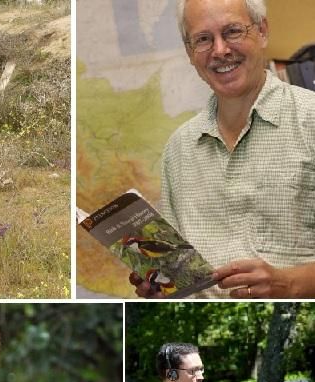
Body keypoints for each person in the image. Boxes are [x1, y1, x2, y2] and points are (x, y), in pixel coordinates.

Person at [131, 0, 315, 299]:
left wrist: (289, 284)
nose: (220, 50)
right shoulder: (178, 148)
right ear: (190, 51)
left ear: (263, 31)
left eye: (232, 31)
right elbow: (181, 278)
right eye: (203, 39)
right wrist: (163, 290)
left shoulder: (311, 120)